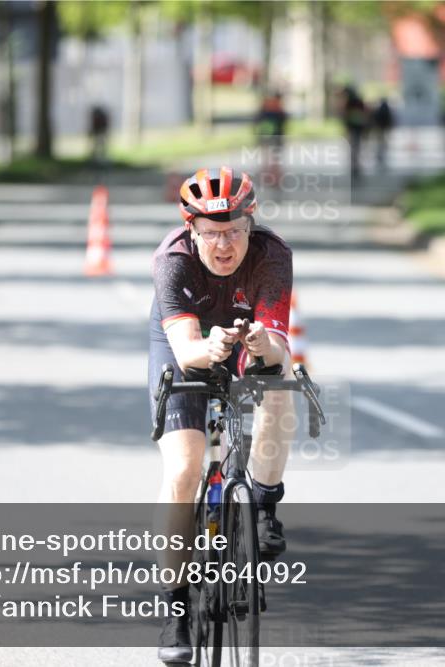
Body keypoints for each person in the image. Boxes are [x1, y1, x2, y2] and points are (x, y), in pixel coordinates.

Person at [150, 167, 296, 663]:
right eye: (211, 233)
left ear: (251, 226)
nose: (224, 243)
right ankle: (174, 608)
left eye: (234, 231)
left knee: (282, 380)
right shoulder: (172, 260)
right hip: (185, 343)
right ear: (192, 231)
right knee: (185, 468)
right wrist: (207, 348)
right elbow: (187, 350)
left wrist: (261, 344)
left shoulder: (273, 256)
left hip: (244, 330)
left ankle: (264, 503)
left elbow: (278, 344)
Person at [254, 91, 288, 188]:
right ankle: (273, 178)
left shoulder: (265, 110)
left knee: (270, 159)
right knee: (272, 159)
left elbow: (257, 122)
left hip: (268, 137)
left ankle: (270, 178)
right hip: (274, 138)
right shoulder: (279, 111)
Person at [340, 85, 368, 181]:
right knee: (357, 145)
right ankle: (356, 164)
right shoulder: (359, 101)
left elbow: (346, 115)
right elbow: (364, 114)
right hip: (358, 126)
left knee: (353, 146)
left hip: (353, 127)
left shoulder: (350, 102)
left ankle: (354, 164)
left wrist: (346, 127)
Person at [372, 97, 395, 170]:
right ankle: (383, 152)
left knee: (379, 141)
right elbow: (390, 118)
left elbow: (375, 117)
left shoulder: (379, 109)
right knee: (384, 141)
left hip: (380, 127)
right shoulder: (387, 109)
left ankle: (379, 154)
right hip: (385, 127)